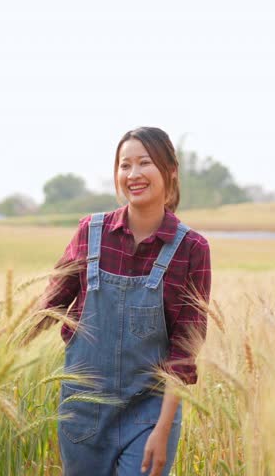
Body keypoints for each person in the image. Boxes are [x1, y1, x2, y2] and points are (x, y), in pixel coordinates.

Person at [31, 127, 212, 476]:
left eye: (144, 163)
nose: (133, 174)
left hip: (149, 413)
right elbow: (50, 305)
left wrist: (163, 429)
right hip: (83, 412)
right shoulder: (90, 232)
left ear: (170, 170)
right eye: (124, 165)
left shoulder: (192, 249)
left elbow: (185, 347)